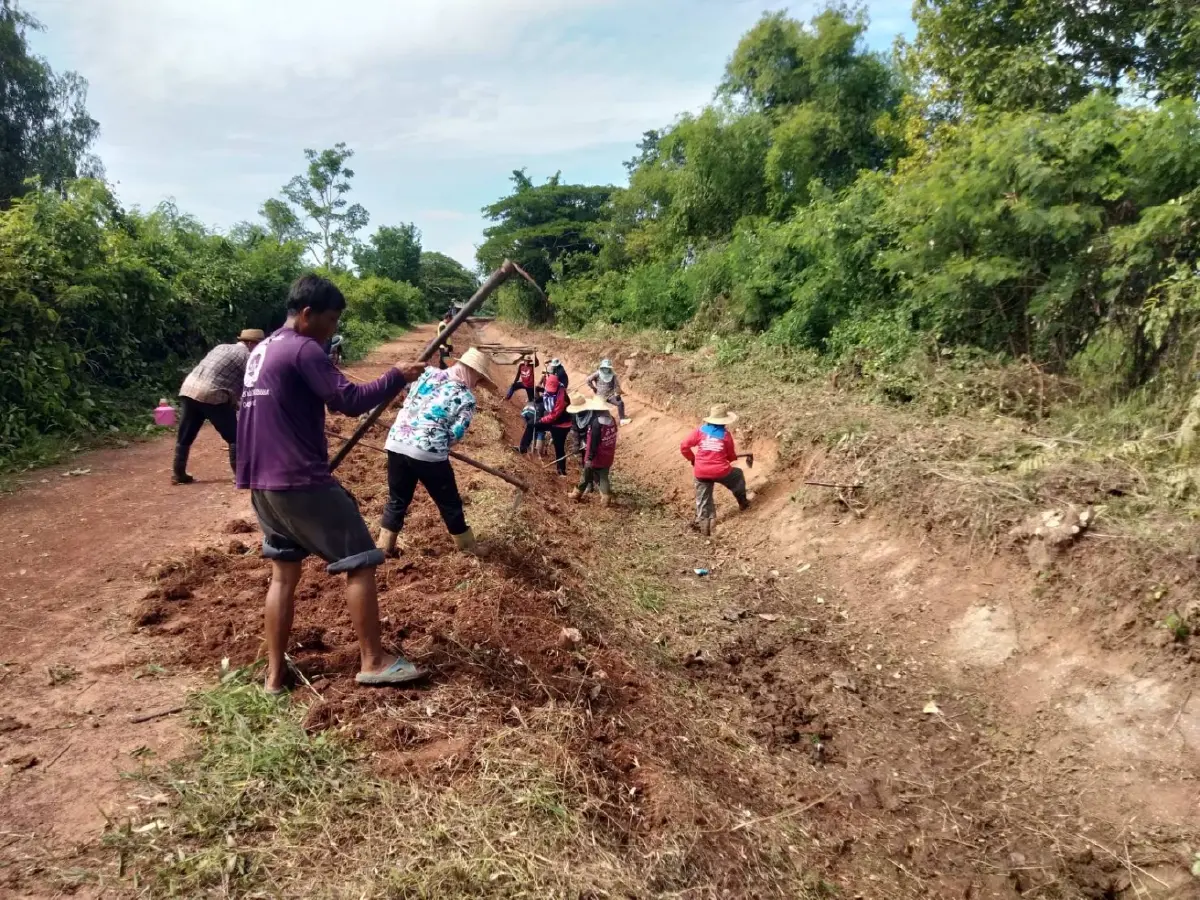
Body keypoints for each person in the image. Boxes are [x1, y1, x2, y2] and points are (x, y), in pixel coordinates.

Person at [236, 274, 427, 694]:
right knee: (360, 559)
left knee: (283, 575)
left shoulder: (263, 348)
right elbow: (349, 401)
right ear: (307, 314)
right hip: (299, 480)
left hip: (261, 483)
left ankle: (274, 676)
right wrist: (397, 375)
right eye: (332, 319)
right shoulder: (303, 348)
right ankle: (374, 661)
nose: (334, 328)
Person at [377, 348, 495, 556]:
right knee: (449, 501)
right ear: (473, 372)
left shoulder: (427, 373)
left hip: (397, 443)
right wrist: (434, 440)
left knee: (397, 499)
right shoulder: (467, 398)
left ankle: (384, 546)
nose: (477, 383)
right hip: (429, 452)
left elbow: (403, 389)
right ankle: (468, 547)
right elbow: (455, 434)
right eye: (478, 378)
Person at [172, 328, 265, 485]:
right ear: (251, 343)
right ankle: (241, 475)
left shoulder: (221, 347)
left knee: (186, 434)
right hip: (213, 393)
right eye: (259, 345)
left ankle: (178, 474)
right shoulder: (248, 357)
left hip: (189, 389)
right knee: (235, 436)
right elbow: (251, 384)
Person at [680, 404, 751, 536]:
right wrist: (726, 457)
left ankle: (704, 528)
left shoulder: (699, 431)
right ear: (724, 422)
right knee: (737, 475)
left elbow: (684, 446)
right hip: (721, 471)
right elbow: (730, 456)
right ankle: (743, 503)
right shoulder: (726, 435)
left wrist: (693, 459)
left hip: (700, 471)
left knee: (703, 499)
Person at [569, 396, 618, 506]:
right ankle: (606, 498)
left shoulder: (596, 423)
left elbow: (594, 442)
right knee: (603, 476)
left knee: (586, 472)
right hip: (608, 452)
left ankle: (577, 493)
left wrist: (590, 458)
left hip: (596, 454)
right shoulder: (612, 420)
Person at [518, 373, 571, 474]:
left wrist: (541, 420)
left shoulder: (562, 398)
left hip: (561, 425)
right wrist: (538, 399)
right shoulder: (548, 387)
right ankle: (523, 449)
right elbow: (546, 395)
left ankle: (561, 471)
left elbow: (554, 416)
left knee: (559, 447)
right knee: (531, 424)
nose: (550, 391)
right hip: (551, 419)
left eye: (552, 390)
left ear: (557, 386)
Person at [586, 358, 630, 424]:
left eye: (607, 368)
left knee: (620, 403)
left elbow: (616, 385)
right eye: (604, 367)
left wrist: (617, 394)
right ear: (602, 367)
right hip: (600, 396)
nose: (605, 369)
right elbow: (588, 380)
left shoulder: (613, 375)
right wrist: (594, 388)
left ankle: (622, 418)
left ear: (609, 368)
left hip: (610, 395)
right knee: (599, 411)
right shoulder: (597, 374)